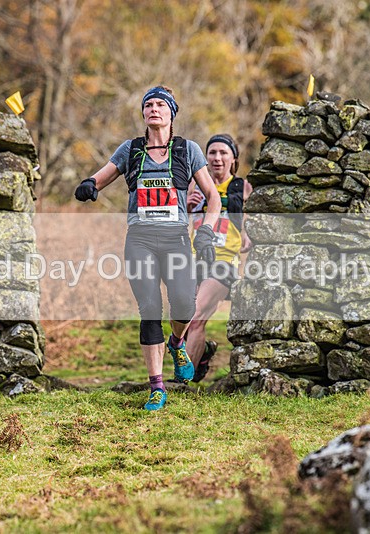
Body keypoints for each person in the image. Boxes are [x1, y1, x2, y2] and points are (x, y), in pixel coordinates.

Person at [75, 86, 221, 411]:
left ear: (171, 113)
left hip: (176, 238)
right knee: (150, 309)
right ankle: (157, 386)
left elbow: (213, 196)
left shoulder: (187, 150)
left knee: (184, 303)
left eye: (160, 104)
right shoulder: (130, 150)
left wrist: (208, 230)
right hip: (140, 240)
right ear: (143, 114)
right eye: (148, 105)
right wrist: (88, 186)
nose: (154, 109)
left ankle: (177, 343)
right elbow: (98, 178)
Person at [186, 134, 252, 382]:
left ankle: (181, 382)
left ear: (233, 158)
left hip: (224, 263)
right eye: (212, 153)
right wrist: (186, 205)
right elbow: (181, 223)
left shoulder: (243, 187)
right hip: (193, 260)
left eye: (223, 153)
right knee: (184, 321)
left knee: (194, 316)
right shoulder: (195, 186)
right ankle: (202, 355)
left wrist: (248, 236)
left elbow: (251, 226)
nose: (217, 158)